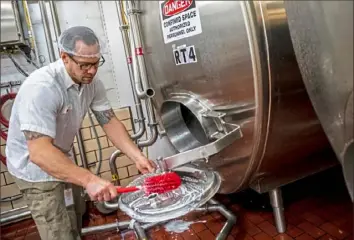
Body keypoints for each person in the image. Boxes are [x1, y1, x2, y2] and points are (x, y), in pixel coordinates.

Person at [5, 26, 156, 240]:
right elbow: (39, 153)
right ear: (64, 57)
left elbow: (109, 121)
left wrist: (137, 156)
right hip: (35, 170)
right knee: (58, 232)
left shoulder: (91, 83)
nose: (92, 71)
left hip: (62, 157)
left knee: (75, 218)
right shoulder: (42, 88)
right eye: (84, 65)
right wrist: (89, 179)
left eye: (96, 64)